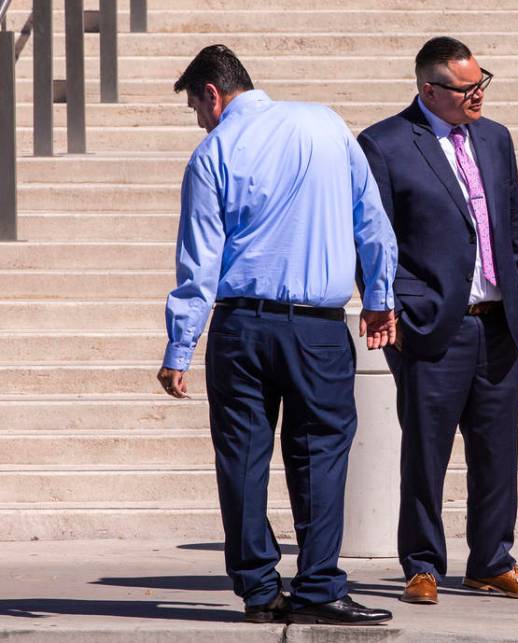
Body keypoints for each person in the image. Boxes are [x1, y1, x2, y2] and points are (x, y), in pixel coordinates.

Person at [155, 44, 397, 626]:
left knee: (241, 457)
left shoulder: (212, 152)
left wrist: (180, 346)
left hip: (241, 325)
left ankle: (259, 590)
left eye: (196, 107)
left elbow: (199, 262)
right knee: (321, 454)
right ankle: (318, 587)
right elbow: (372, 218)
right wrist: (381, 297)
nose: (199, 121)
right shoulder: (327, 123)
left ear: (213, 94)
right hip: (317, 328)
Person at [357, 36, 518, 605]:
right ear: (429, 89)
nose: (478, 96)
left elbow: (511, 227)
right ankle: (421, 564)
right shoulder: (386, 144)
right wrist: (397, 303)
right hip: (433, 325)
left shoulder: (495, 139)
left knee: (497, 451)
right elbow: (374, 238)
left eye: (481, 82)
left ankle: (492, 559)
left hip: (498, 323)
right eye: (466, 88)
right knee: (426, 450)